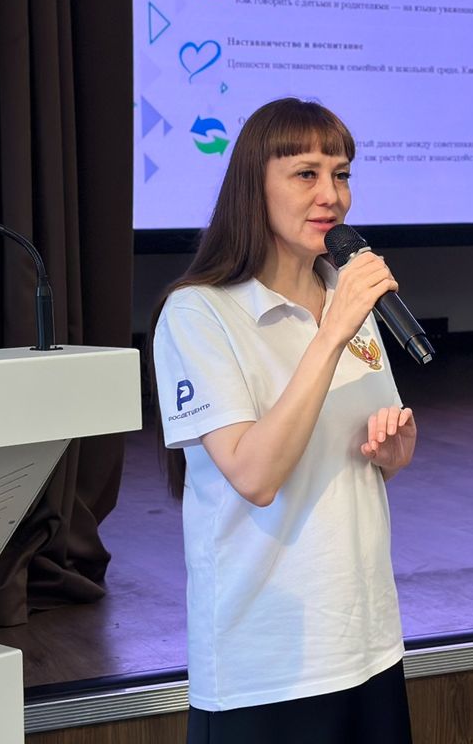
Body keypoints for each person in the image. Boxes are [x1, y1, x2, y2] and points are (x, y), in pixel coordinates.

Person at [151, 97, 417, 743]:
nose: (331, 195)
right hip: (267, 662)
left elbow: (356, 452)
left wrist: (393, 452)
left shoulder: (345, 298)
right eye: (305, 173)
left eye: (342, 174)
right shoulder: (198, 314)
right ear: (254, 188)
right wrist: (331, 333)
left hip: (367, 642)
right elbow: (255, 475)